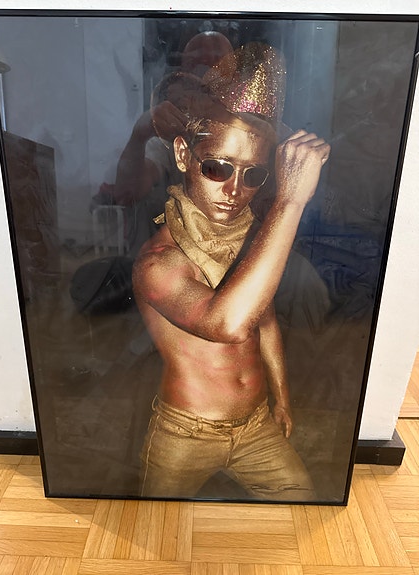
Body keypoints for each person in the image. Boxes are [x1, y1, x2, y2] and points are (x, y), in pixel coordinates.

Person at [132, 43, 330, 501]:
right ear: (183, 155)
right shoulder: (158, 261)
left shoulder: (248, 243)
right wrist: (289, 201)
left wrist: (281, 399)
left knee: (300, 505)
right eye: (216, 168)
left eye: (253, 175)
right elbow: (227, 324)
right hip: (186, 432)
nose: (234, 190)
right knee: (156, 530)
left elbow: (264, 320)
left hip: (256, 425)